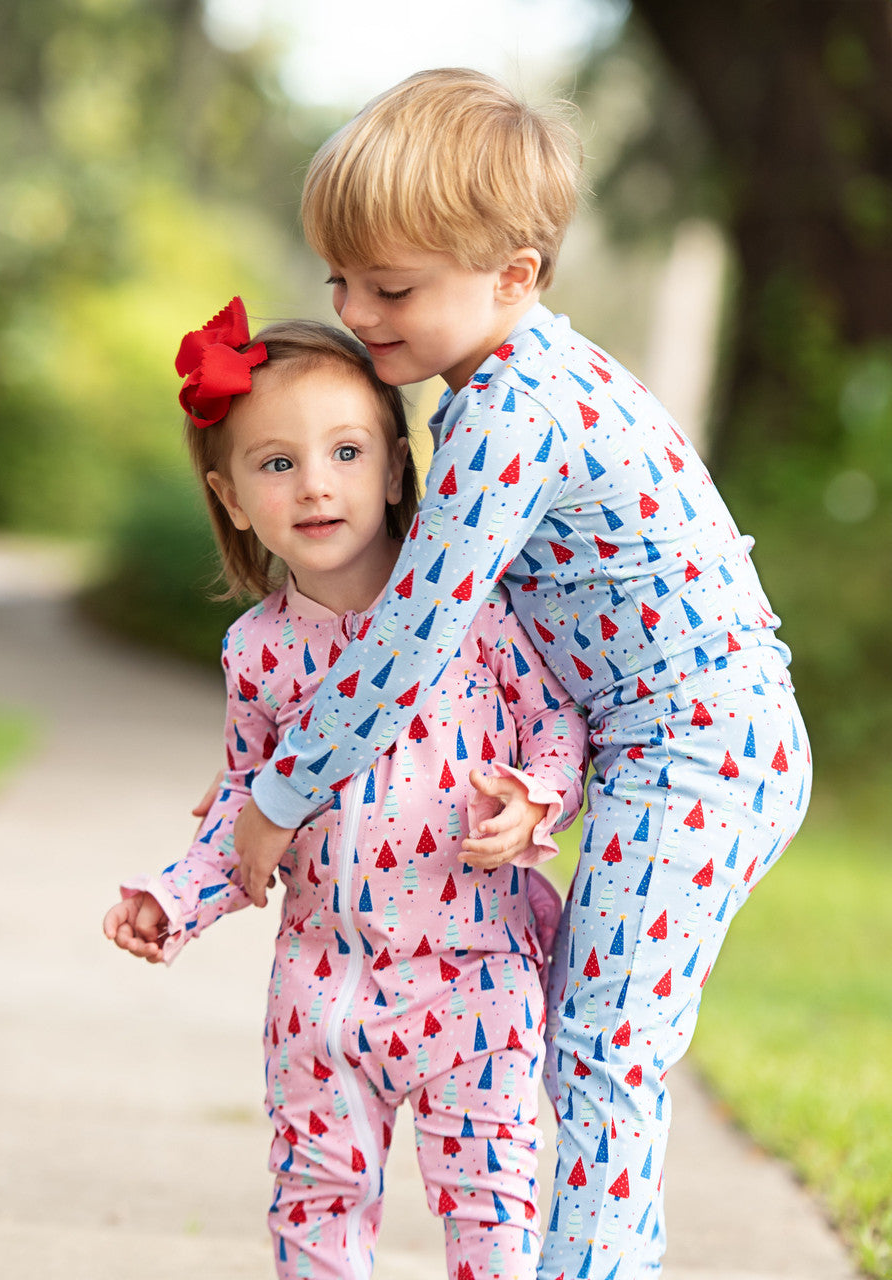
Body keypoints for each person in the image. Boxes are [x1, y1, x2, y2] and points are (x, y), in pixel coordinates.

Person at [226, 70, 813, 1280]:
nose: (355, 311)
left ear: (514, 275)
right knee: (581, 1037)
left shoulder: (513, 408)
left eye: (390, 288)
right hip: (657, 738)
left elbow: (413, 635)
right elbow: (495, 643)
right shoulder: (502, 377)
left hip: (706, 744)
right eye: (340, 279)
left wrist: (279, 795)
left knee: (602, 1048)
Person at [104, 301, 589, 1280]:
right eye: (276, 463)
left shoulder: (473, 611)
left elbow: (556, 724)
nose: (315, 484)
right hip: (322, 981)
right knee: (315, 1205)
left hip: (477, 976)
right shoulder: (260, 653)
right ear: (232, 496)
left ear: (398, 467)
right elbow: (246, 814)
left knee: (493, 1218)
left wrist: (537, 798)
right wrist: (173, 898)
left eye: (347, 451)